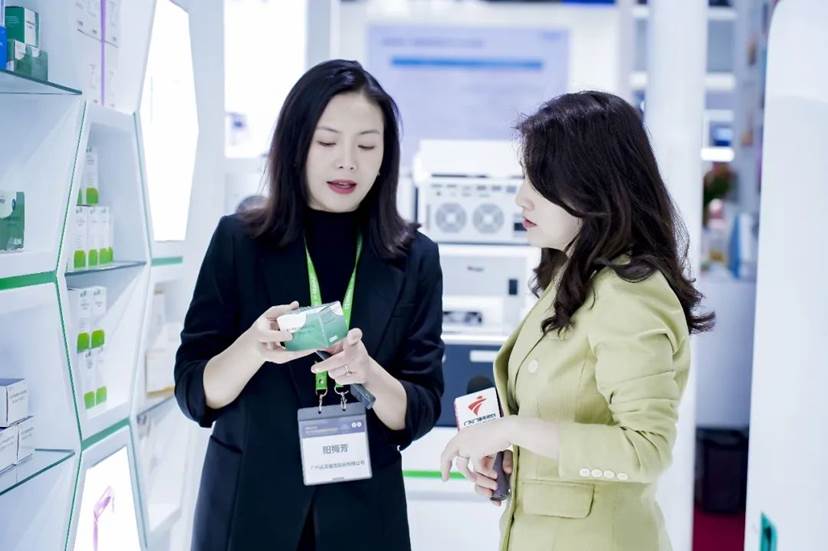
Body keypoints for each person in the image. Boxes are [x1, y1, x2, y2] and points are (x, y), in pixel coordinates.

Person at [175, 59, 444, 551]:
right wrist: (252, 348)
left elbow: (421, 408)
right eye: (327, 142)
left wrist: (369, 374)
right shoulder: (239, 241)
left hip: (365, 521)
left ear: (386, 156)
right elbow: (194, 391)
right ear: (296, 146)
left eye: (367, 145)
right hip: (247, 514)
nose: (348, 162)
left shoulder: (415, 259)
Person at [439, 91, 714, 551]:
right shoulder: (572, 277)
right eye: (525, 178)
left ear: (593, 187)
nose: (521, 198)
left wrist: (511, 429)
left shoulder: (628, 294)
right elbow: (570, 417)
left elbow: (646, 449)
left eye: (540, 181)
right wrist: (514, 455)